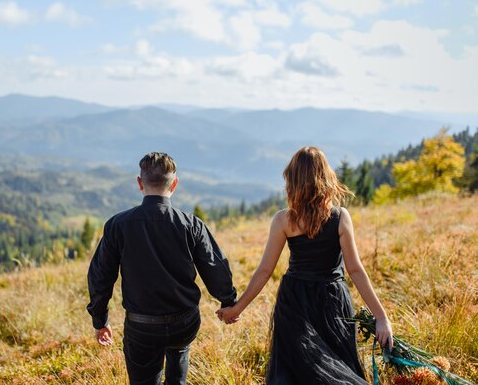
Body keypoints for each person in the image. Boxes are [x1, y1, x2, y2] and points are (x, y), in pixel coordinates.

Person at [217, 146, 393, 384]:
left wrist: (237, 309)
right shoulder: (340, 217)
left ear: (293, 180)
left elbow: (264, 271)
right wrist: (381, 317)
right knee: (336, 365)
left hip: (294, 301)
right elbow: (356, 270)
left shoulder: (284, 220)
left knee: (295, 371)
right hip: (333, 302)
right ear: (326, 178)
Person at [87, 152, 238, 385]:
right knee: (179, 353)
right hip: (184, 322)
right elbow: (214, 266)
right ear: (174, 184)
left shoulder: (118, 225)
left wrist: (100, 320)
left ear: (139, 183)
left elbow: (100, 277)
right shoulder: (191, 225)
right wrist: (228, 301)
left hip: (141, 326)